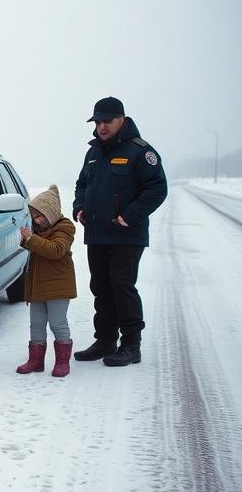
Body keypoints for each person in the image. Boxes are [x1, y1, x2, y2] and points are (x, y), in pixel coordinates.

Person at [72, 97, 167, 366]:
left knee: (122, 287)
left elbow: (157, 188)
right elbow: (81, 184)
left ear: (122, 120)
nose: (101, 126)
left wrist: (129, 216)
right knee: (100, 287)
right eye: (97, 122)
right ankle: (105, 341)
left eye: (107, 121)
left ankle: (131, 346)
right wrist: (79, 207)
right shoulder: (93, 153)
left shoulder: (140, 151)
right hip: (97, 234)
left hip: (126, 235)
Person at [16, 185, 77, 377]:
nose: (36, 220)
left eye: (39, 216)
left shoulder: (65, 228)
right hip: (38, 286)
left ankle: (62, 362)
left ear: (50, 213)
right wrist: (25, 239)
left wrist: (31, 239)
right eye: (33, 216)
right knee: (36, 324)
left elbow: (55, 250)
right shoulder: (38, 229)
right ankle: (35, 361)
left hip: (58, 286)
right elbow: (37, 246)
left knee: (57, 323)